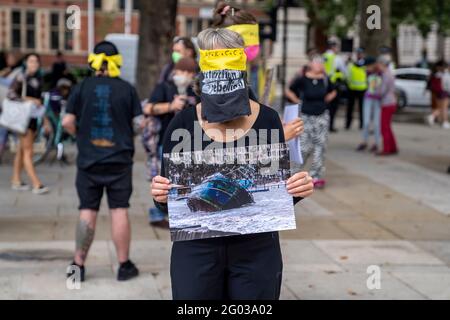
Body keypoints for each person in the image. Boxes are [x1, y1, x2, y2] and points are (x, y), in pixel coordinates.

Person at [151, 28, 314, 300]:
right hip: (196, 252)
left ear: (241, 67)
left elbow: (276, 193)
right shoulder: (182, 125)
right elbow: (170, 201)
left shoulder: (269, 120)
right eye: (214, 62)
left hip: (256, 251)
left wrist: (296, 189)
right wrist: (159, 195)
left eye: (228, 62)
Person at [62, 41, 142, 282]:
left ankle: (78, 266)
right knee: (119, 210)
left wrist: (81, 137)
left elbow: (66, 121)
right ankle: (124, 266)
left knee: (87, 210)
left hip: (89, 160)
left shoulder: (82, 87)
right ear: (116, 61)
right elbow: (139, 123)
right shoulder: (127, 89)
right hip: (119, 161)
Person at [212, 1, 303, 142]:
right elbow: (234, 137)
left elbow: (256, 112)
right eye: (248, 43)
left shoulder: (247, 73)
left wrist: (273, 121)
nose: (254, 48)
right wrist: (279, 137)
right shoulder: (221, 81)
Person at [143, 57, 199, 228]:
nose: (186, 76)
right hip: (166, 140)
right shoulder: (164, 87)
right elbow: (147, 108)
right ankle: (158, 213)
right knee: (163, 178)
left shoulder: (195, 91)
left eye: (190, 73)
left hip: (190, 143)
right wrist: (170, 106)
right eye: (183, 71)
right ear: (176, 72)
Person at [285, 56, 337, 189]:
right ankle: (294, 174)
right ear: (311, 64)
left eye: (321, 63)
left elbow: (334, 91)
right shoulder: (303, 79)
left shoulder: (325, 79)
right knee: (304, 147)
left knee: (320, 146)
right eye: (317, 62)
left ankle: (316, 176)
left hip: (321, 116)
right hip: (305, 116)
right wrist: (297, 101)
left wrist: (327, 99)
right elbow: (289, 90)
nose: (320, 65)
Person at [7, 53, 49, 194]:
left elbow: (40, 102)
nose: (34, 64)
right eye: (31, 61)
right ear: (26, 62)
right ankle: (36, 183)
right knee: (28, 151)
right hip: (23, 120)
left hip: (32, 119)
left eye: (36, 61)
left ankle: (16, 180)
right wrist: (30, 99)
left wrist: (44, 119)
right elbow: (11, 95)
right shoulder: (21, 77)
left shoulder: (38, 78)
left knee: (21, 150)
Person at [356, 57, 382, 152]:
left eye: (367, 66)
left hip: (378, 100)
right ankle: (364, 141)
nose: (366, 68)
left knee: (376, 123)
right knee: (366, 122)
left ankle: (376, 143)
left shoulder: (381, 73)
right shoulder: (367, 73)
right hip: (368, 98)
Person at [323, 40, 346, 133]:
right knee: (333, 107)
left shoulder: (323, 56)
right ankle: (330, 126)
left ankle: (324, 125)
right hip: (333, 85)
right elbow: (344, 70)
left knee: (325, 106)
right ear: (333, 47)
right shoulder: (337, 58)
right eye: (336, 47)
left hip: (323, 83)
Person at [378, 56, 398, 155]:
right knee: (388, 126)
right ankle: (393, 147)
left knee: (384, 127)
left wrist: (376, 92)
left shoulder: (386, 74)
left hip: (387, 102)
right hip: (391, 101)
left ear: (382, 64)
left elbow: (383, 90)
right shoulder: (390, 74)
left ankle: (386, 148)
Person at [346, 47, 367, 130]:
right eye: (358, 53)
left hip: (362, 89)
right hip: (352, 89)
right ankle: (348, 124)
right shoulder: (351, 64)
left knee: (362, 108)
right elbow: (347, 75)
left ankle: (362, 124)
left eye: (360, 53)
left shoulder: (365, 64)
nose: (359, 55)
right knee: (350, 107)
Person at [427, 60, 449, 129]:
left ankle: (436, 118)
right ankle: (444, 122)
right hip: (444, 92)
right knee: (444, 108)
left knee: (440, 108)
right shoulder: (444, 74)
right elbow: (447, 85)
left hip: (437, 92)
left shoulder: (435, 74)